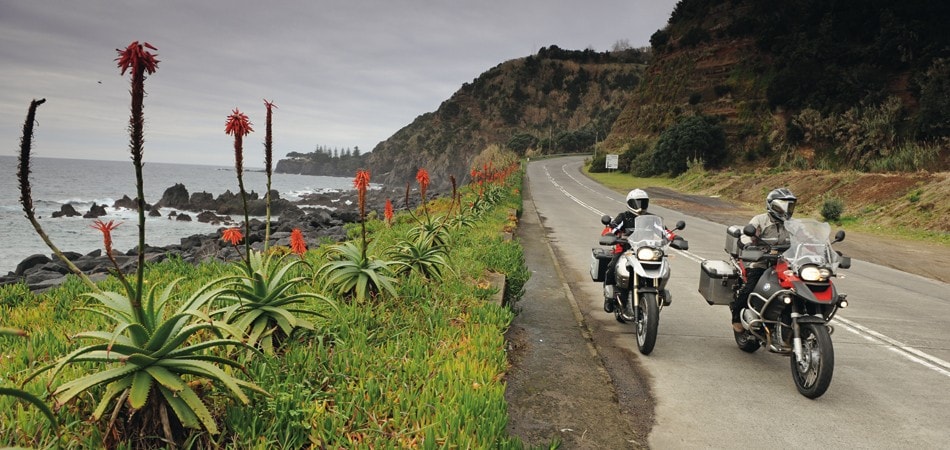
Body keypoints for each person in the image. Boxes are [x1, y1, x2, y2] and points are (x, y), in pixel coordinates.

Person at [731, 187, 796, 333]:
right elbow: (746, 235)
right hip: (760, 261)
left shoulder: (793, 224)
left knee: (798, 287)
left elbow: (806, 238)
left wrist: (821, 248)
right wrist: (748, 244)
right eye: (783, 205)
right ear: (772, 206)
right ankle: (736, 317)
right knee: (751, 286)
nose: (787, 209)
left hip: (785, 264)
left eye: (790, 205)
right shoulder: (760, 220)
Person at [603, 189, 652, 318]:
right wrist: (609, 234)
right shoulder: (624, 217)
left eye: (643, 202)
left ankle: (658, 292)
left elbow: (664, 231)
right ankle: (609, 298)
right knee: (612, 268)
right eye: (636, 202)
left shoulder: (650, 218)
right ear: (630, 203)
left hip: (644, 251)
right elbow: (612, 228)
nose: (640, 206)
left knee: (660, 265)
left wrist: (674, 237)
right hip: (625, 250)